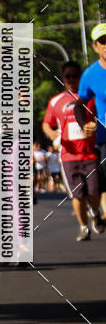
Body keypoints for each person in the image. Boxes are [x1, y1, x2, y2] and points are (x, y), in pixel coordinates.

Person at [43, 59, 105, 241]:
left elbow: (100, 116)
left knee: (94, 192)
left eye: (75, 76)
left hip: (90, 153)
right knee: (77, 195)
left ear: (81, 77)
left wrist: (94, 125)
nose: (71, 79)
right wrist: (53, 135)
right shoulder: (55, 101)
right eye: (67, 76)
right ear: (62, 78)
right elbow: (47, 124)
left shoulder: (90, 98)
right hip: (68, 156)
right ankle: (83, 227)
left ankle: (95, 213)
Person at [75, 22, 106, 215]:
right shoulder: (90, 74)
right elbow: (79, 105)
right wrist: (83, 123)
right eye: (102, 41)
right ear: (95, 46)